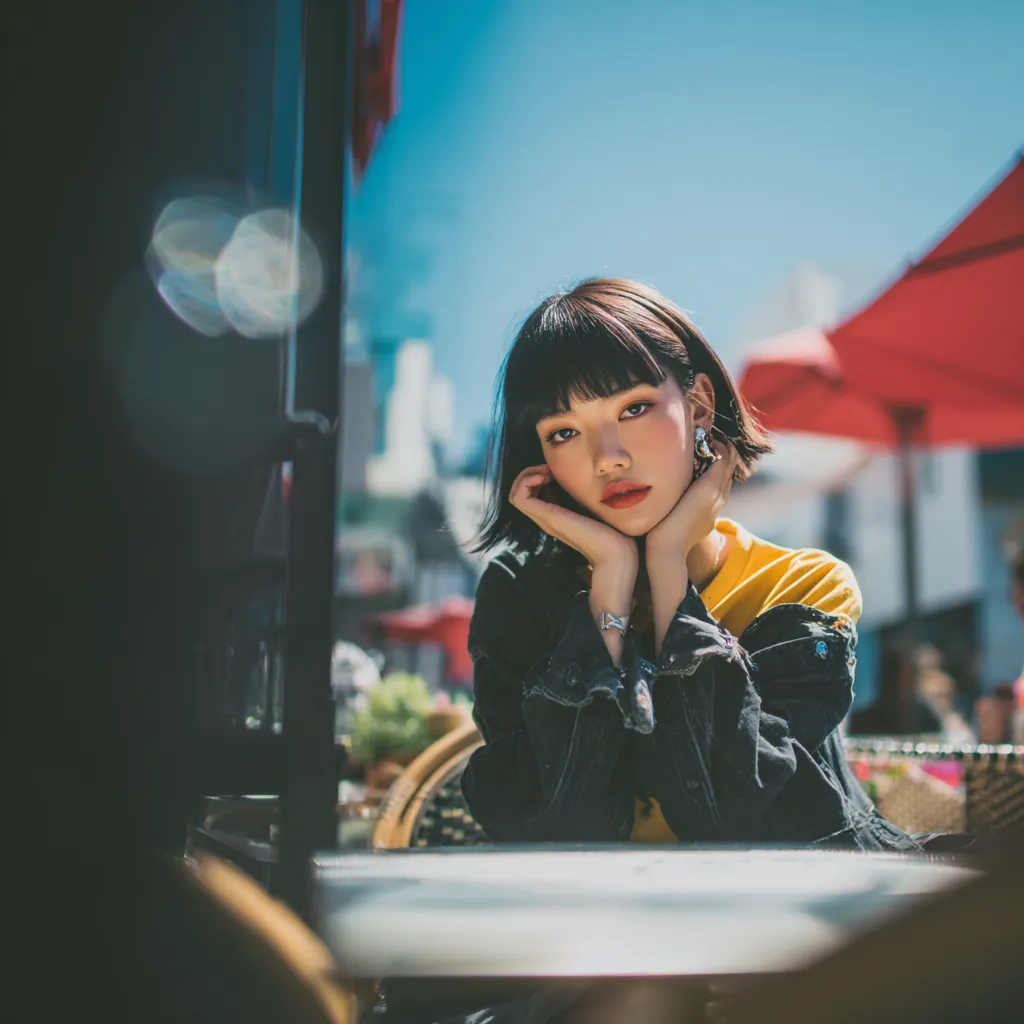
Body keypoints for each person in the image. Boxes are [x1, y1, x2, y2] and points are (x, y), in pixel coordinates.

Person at [461, 278, 916, 852]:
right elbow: (548, 827)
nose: (608, 459)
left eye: (635, 408)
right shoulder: (520, 593)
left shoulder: (801, 585)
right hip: (589, 927)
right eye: (565, 432)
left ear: (699, 403)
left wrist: (669, 567)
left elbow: (733, 815)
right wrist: (612, 585)